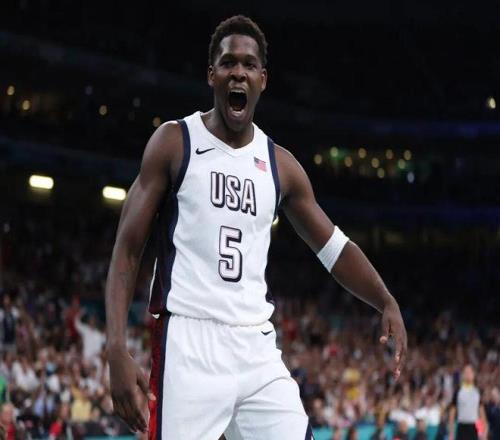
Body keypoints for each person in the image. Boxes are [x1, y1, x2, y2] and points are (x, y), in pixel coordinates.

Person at [104, 15, 407, 440]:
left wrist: (384, 299)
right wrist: (116, 347)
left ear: (262, 80)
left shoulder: (281, 165)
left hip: (255, 344)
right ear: (211, 74)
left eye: (249, 64)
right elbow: (128, 247)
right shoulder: (175, 142)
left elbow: (334, 248)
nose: (238, 72)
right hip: (189, 339)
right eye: (228, 62)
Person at [448, 364, 488, 440]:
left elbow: (481, 414)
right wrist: (451, 433)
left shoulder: (477, 392)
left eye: (470, 372)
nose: (468, 375)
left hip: (474, 427)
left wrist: (483, 432)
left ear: (473, 374)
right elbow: (452, 413)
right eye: (466, 372)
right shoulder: (458, 391)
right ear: (463, 375)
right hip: (461, 426)